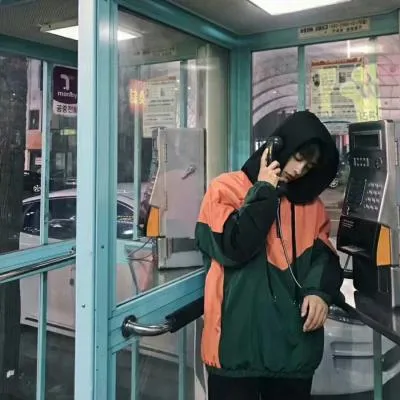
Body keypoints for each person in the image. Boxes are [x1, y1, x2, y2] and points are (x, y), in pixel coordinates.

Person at [195, 110, 344, 400]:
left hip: (292, 353)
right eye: (298, 158)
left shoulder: (310, 206)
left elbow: (324, 257)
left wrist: (319, 292)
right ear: (278, 147)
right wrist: (264, 189)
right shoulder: (224, 189)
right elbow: (233, 248)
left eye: (309, 166)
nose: (300, 170)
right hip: (234, 351)